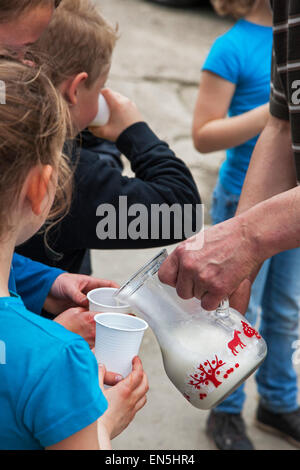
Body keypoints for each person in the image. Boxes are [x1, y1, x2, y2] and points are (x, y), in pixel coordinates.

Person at [159, 0, 300, 449]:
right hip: (243, 198)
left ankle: (279, 399)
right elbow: (214, 134)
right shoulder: (234, 46)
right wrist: (247, 232)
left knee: (285, 310)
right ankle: (226, 407)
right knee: (236, 311)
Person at [0, 56, 148, 450]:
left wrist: (48, 292)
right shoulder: (60, 362)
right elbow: (179, 209)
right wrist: (105, 420)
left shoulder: (45, 354)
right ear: (39, 189)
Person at [16, 0, 201, 276]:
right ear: (75, 89)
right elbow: (181, 213)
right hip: (46, 316)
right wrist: (134, 131)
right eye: (101, 87)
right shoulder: (70, 178)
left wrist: (82, 122)